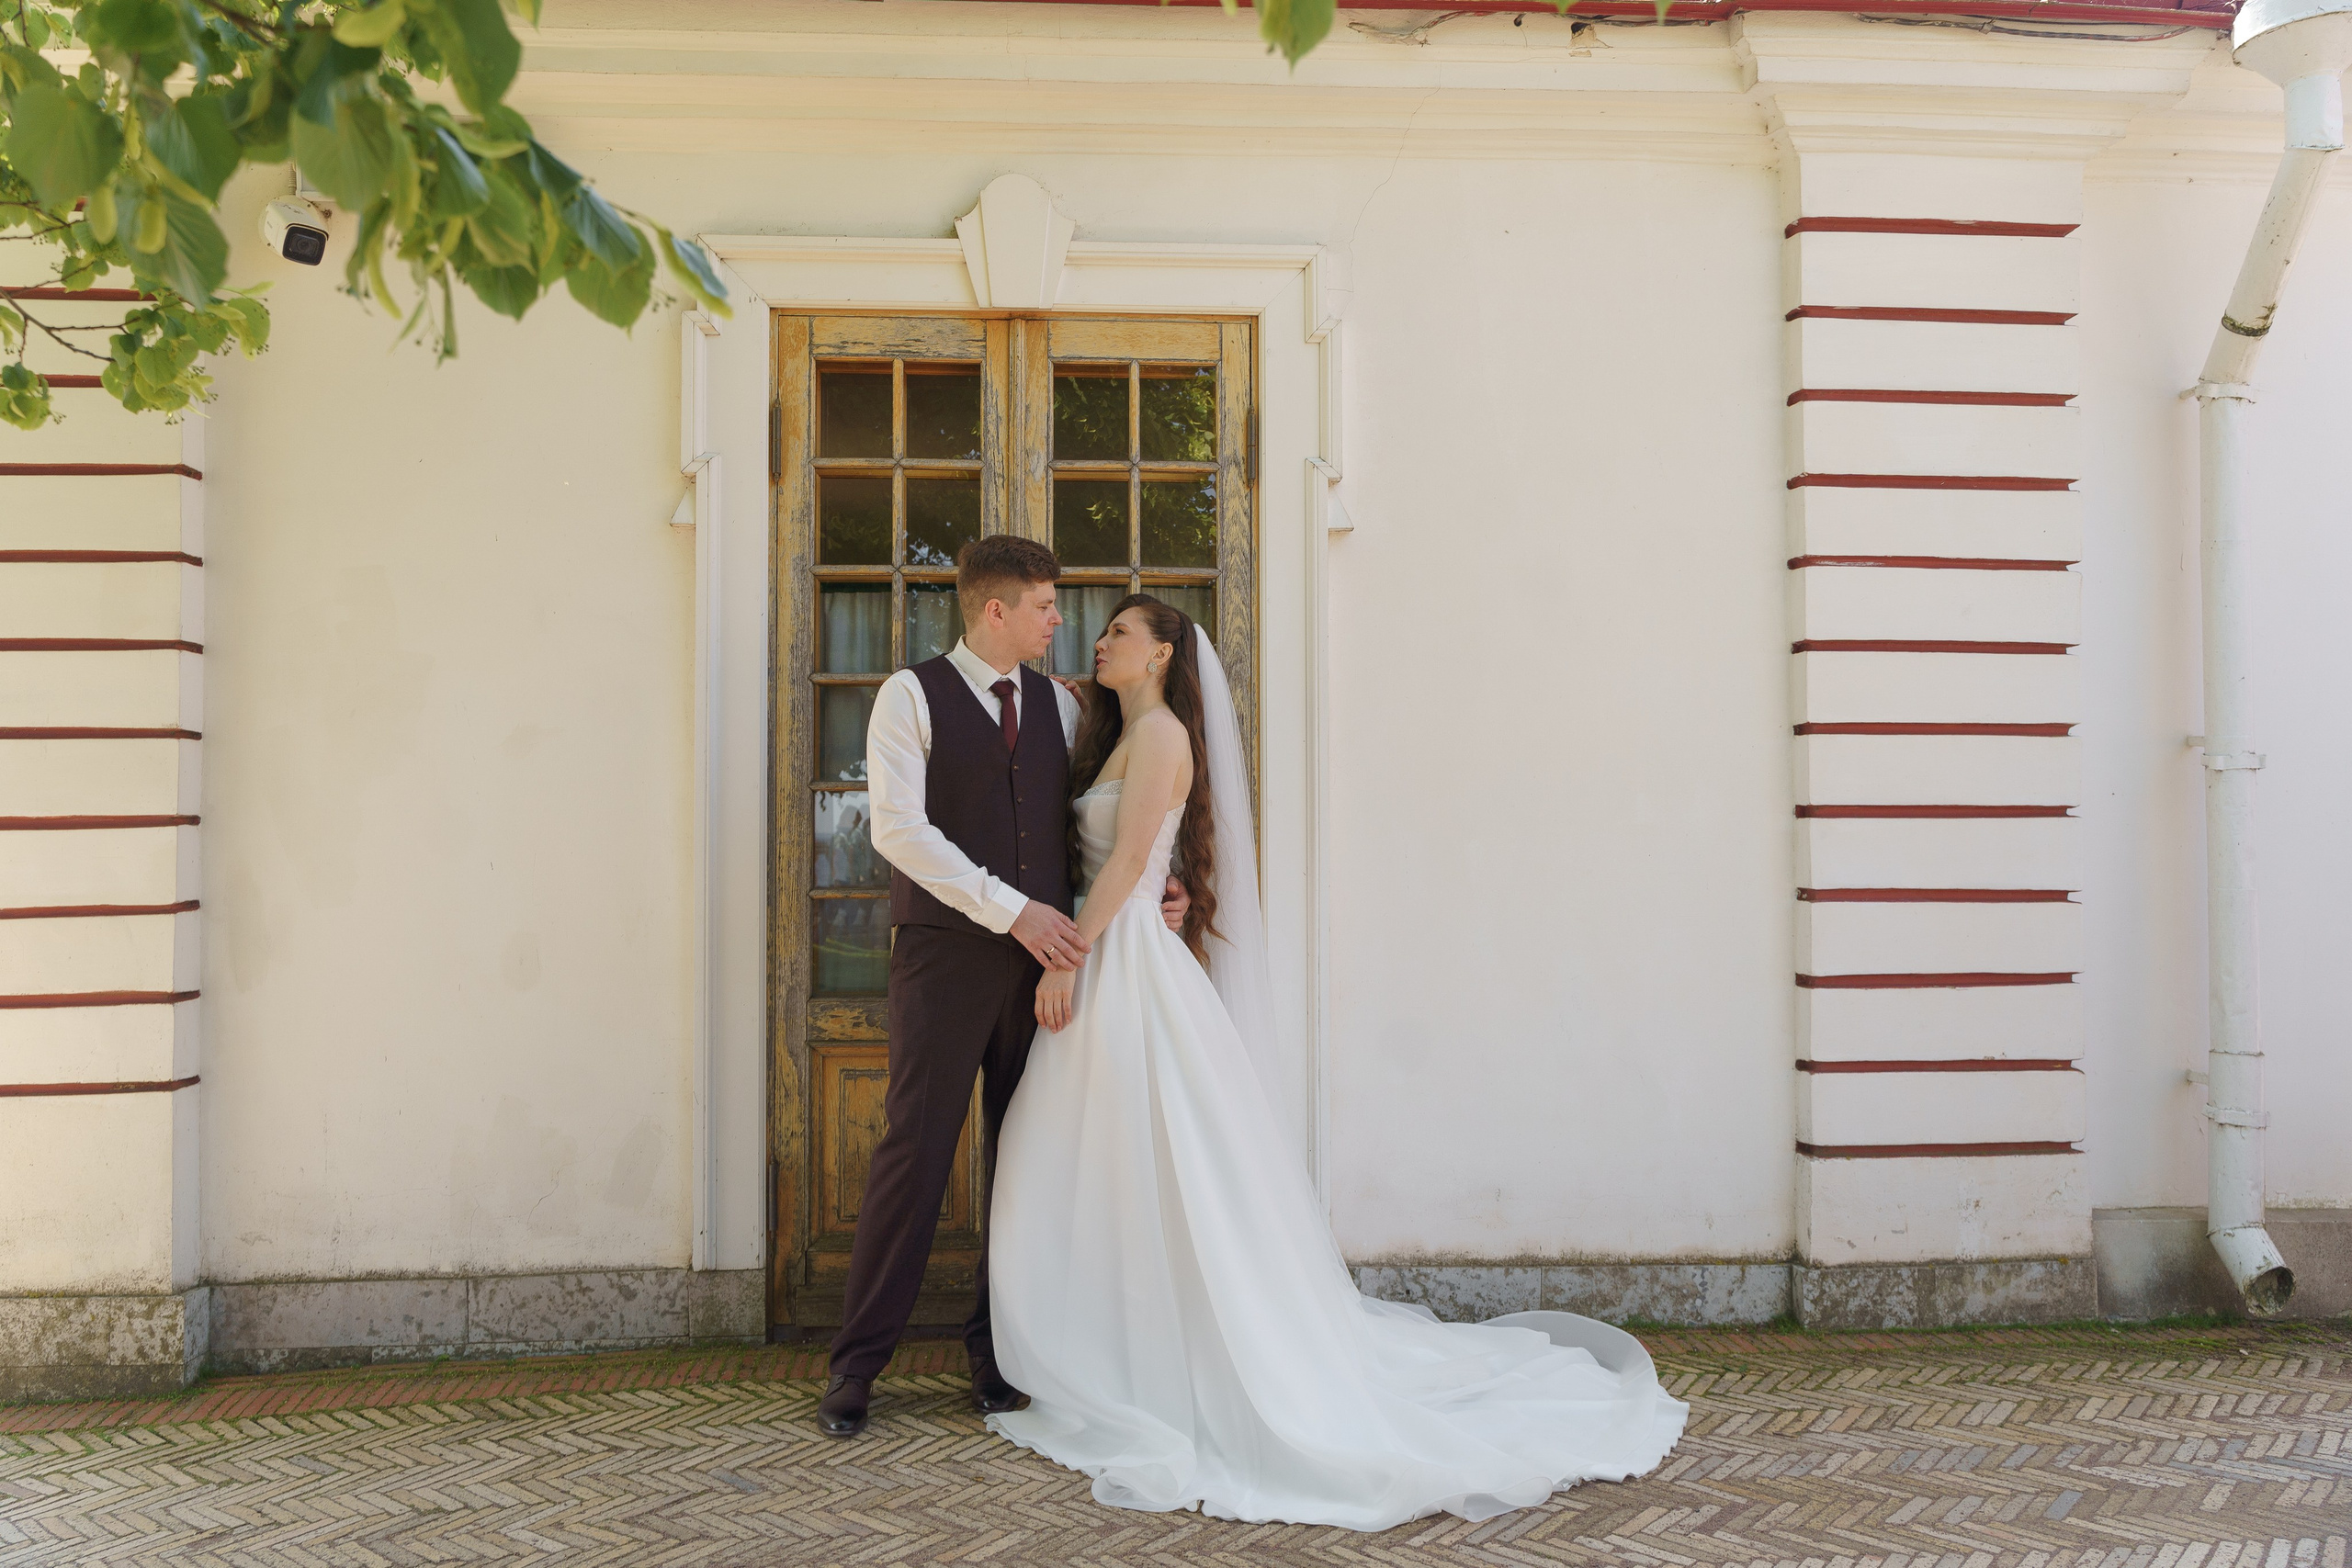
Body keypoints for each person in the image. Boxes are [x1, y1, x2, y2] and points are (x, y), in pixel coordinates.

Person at [982, 594, 1690, 1532]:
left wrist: (1070, 956)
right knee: (1096, 1158)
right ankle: (1108, 1346)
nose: (1100, 640)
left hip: (1119, 963)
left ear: (1159, 656)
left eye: (1119, 631)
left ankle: (1158, 1359)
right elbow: (1121, 862)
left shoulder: (1160, 740)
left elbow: (1124, 869)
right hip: (1119, 949)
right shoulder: (1109, 729)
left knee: (1157, 1158)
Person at [818, 537, 1186, 1439]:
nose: (1061, 622)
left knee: (1028, 1166)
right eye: (1046, 606)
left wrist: (1158, 889)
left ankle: (999, 1362)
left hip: (1048, 974)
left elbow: (1100, 828)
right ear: (997, 610)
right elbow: (898, 832)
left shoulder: (1064, 712)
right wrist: (1011, 911)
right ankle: (855, 1369)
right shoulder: (908, 696)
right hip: (946, 961)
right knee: (916, 1157)